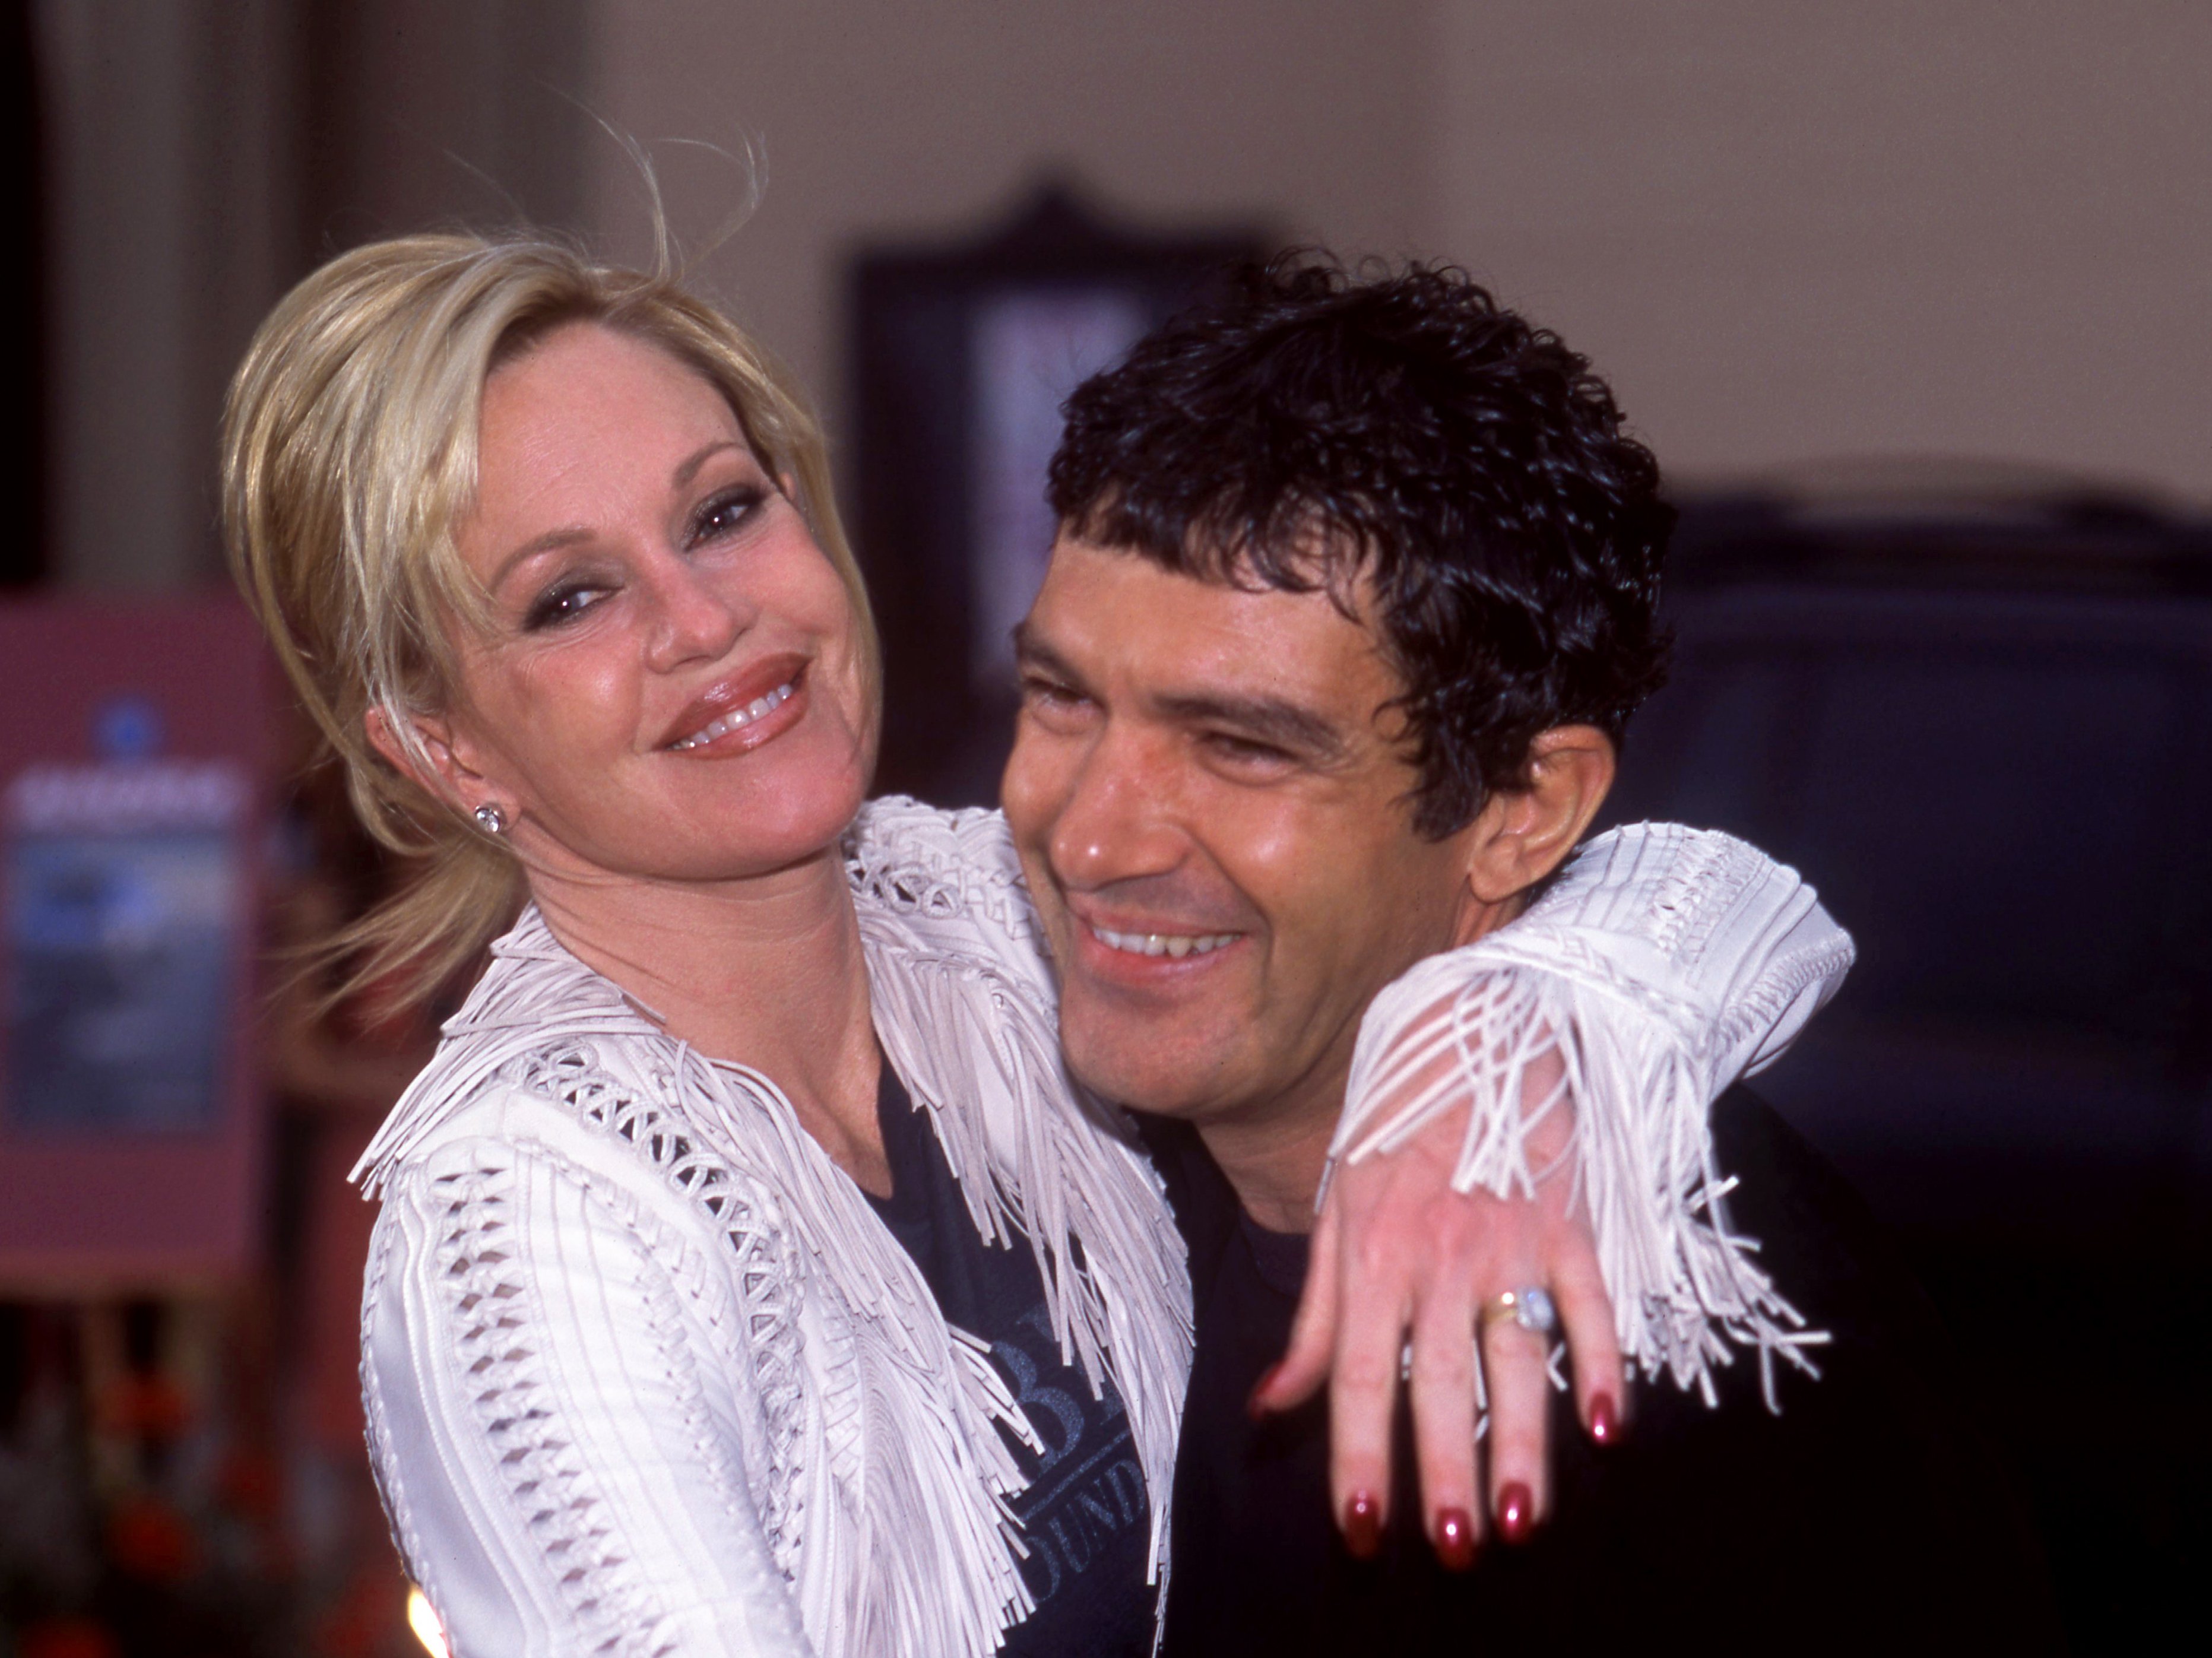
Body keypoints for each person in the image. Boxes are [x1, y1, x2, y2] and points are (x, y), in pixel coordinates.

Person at [220, 231, 1847, 1658]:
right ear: (446, 750)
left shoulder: (983, 907)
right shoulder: (537, 1219)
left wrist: (1501, 1031)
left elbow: (1713, 901)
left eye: (720, 511)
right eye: (567, 599)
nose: (703, 618)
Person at [1004, 255, 2055, 1650]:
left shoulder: (1700, 1365)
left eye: (1241, 744)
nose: (1091, 830)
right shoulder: (1093, 1166)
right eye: (1061, 698)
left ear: (1524, 809)